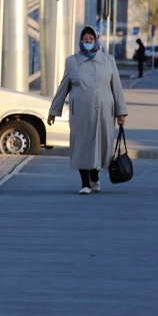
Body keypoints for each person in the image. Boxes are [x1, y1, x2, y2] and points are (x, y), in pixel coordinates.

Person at [48, 25, 128, 195]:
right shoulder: (72, 62)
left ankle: (95, 177)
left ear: (97, 40)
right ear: (80, 41)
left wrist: (121, 112)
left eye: (91, 39)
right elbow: (63, 87)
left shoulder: (108, 61)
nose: (88, 42)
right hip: (81, 113)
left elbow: (117, 88)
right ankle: (85, 183)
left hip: (104, 112)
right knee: (82, 146)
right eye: (85, 39)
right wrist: (54, 111)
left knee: (100, 145)